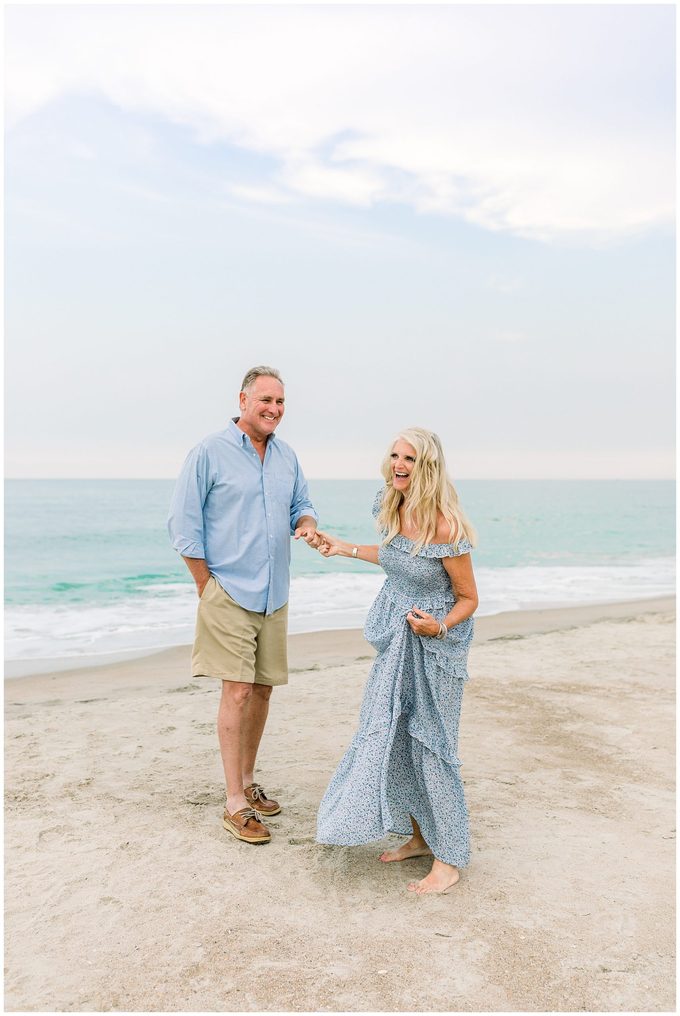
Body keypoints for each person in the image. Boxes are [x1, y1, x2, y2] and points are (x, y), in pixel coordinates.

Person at [314, 427, 478, 894]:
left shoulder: (446, 525)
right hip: (396, 638)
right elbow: (392, 558)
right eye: (394, 455)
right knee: (395, 734)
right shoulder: (391, 503)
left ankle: (450, 858)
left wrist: (439, 626)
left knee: (433, 744)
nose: (398, 465)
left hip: (436, 646)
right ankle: (420, 837)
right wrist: (340, 547)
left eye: (409, 458)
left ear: (428, 467)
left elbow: (468, 598)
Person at [168, 366, 319, 845]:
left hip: (275, 595)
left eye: (280, 403)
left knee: (262, 690)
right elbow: (183, 525)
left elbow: (302, 504)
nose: (273, 410)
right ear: (243, 400)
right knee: (235, 690)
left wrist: (308, 523)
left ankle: (249, 783)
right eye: (265, 400)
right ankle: (234, 802)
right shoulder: (208, 453)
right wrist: (205, 586)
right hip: (228, 591)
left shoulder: (286, 456)